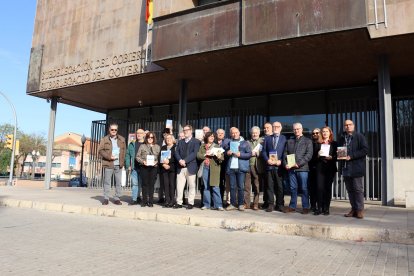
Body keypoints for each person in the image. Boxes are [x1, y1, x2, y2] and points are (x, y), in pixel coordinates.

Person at [339, 119, 368, 219]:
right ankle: (354, 209)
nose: (348, 126)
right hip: (346, 168)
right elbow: (339, 150)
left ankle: (359, 210)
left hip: (356, 167)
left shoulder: (359, 136)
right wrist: (340, 155)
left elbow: (365, 150)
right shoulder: (342, 138)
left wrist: (352, 156)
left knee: (358, 189)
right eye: (346, 125)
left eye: (350, 124)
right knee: (350, 190)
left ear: (353, 126)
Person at [284, 123, 313, 214]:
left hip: (303, 169)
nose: (296, 131)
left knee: (304, 188)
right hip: (291, 169)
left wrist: (298, 164)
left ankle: (305, 207)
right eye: (295, 129)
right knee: (293, 188)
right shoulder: (289, 141)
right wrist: (286, 164)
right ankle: (292, 206)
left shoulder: (307, 141)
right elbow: (285, 154)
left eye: (298, 129)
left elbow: (309, 155)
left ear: (301, 129)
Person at [98, 123, 126, 205]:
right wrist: (109, 157)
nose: (114, 131)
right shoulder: (104, 139)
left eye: (115, 130)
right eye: (112, 129)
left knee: (118, 182)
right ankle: (106, 198)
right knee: (107, 182)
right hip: (109, 163)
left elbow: (124, 151)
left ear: (117, 130)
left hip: (118, 164)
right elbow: (100, 150)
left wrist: (123, 162)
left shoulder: (122, 139)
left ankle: (117, 198)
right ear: (109, 130)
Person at [262, 121, 287, 212]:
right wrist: (267, 159)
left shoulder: (284, 139)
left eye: (277, 126)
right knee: (269, 186)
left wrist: (281, 161)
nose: (275, 128)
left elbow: (285, 152)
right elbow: (264, 151)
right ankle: (270, 204)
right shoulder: (267, 138)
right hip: (269, 166)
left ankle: (280, 204)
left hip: (279, 167)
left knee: (280, 187)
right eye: (274, 126)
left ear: (280, 128)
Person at [174, 125, 201, 209]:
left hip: (191, 166)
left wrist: (184, 161)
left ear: (191, 130)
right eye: (184, 130)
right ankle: (179, 202)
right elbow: (176, 152)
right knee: (179, 186)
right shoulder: (180, 141)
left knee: (191, 185)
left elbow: (194, 153)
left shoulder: (196, 141)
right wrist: (180, 160)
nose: (185, 131)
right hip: (180, 167)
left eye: (187, 130)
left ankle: (190, 203)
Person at [225, 127, 252, 211]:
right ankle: (232, 204)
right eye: (232, 133)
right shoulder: (229, 143)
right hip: (231, 167)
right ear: (230, 134)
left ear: (239, 133)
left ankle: (240, 204)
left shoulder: (245, 143)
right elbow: (225, 155)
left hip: (241, 168)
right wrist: (227, 153)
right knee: (232, 187)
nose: (234, 134)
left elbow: (249, 154)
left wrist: (240, 155)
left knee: (241, 186)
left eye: (236, 132)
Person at [197, 132, 225, 211]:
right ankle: (206, 204)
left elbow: (222, 158)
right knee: (206, 187)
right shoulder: (202, 146)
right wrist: (205, 154)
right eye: (210, 136)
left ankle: (218, 205)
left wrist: (218, 156)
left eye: (213, 136)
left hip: (214, 168)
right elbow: (198, 155)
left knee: (215, 186)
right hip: (205, 167)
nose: (212, 137)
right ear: (206, 137)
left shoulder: (217, 146)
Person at [314, 126, 337, 215]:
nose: (324, 133)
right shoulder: (317, 144)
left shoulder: (334, 143)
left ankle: (326, 208)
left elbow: (338, 156)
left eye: (326, 131)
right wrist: (318, 155)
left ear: (330, 133)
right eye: (323, 131)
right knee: (319, 188)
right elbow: (313, 158)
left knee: (327, 188)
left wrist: (332, 157)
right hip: (319, 168)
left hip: (330, 168)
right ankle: (319, 208)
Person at [136, 132, 161, 207]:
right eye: (149, 137)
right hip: (144, 167)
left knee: (151, 185)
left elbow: (161, 158)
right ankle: (144, 201)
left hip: (153, 168)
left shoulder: (157, 147)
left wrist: (156, 162)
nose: (150, 139)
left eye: (152, 137)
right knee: (144, 184)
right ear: (146, 138)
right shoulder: (142, 146)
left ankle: (151, 201)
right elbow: (137, 156)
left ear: (154, 138)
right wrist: (143, 161)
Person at [246, 126, 266, 210]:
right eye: (253, 133)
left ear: (259, 133)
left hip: (258, 166)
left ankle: (255, 204)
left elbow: (266, 152)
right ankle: (246, 204)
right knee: (246, 187)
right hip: (247, 165)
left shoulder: (263, 141)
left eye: (256, 133)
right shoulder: (247, 142)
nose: (254, 134)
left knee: (256, 186)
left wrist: (258, 154)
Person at [125, 128, 145, 205]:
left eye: (140, 133)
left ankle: (141, 198)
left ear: (143, 135)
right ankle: (134, 199)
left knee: (143, 184)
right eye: (137, 133)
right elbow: (127, 155)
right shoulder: (132, 144)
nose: (139, 134)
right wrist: (128, 165)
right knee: (135, 184)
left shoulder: (146, 144)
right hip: (134, 167)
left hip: (144, 167)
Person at [159, 134, 176, 208]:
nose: (168, 139)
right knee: (166, 185)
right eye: (166, 138)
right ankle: (167, 200)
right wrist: (163, 164)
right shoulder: (163, 147)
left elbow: (176, 157)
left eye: (169, 138)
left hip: (172, 168)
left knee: (172, 185)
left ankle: (172, 201)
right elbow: (160, 157)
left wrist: (169, 162)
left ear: (173, 139)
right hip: (164, 168)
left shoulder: (175, 147)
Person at [216, 128, 230, 206]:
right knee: (218, 184)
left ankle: (227, 201)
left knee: (226, 184)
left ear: (224, 135)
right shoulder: (213, 142)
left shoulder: (227, 142)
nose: (220, 134)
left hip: (225, 165)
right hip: (216, 166)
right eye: (219, 133)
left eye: (222, 133)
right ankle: (219, 200)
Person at [261, 122, 273, 209]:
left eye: (268, 127)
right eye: (265, 128)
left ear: (271, 128)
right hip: (264, 164)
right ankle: (266, 202)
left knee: (275, 185)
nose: (266, 129)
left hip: (275, 164)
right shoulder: (262, 139)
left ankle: (277, 203)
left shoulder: (275, 137)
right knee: (266, 185)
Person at [308, 128, 320, 212]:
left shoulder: (323, 144)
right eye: (313, 133)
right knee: (312, 189)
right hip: (311, 168)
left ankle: (320, 206)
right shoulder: (309, 143)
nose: (315, 134)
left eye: (317, 133)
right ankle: (312, 206)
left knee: (320, 188)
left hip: (321, 169)